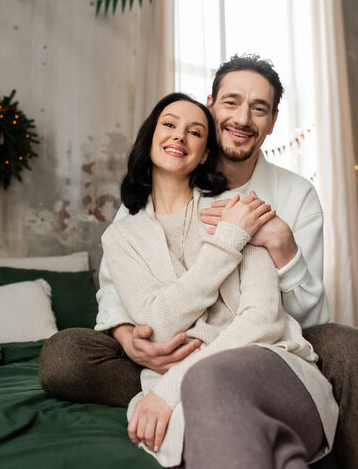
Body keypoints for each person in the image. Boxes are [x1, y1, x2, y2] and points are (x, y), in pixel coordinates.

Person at [39, 55, 357, 467]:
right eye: (231, 102)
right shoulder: (130, 222)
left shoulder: (263, 203)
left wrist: (280, 243)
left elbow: (285, 317)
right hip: (167, 347)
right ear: (211, 105)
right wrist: (126, 335)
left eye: (258, 108)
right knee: (65, 353)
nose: (242, 117)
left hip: (273, 340)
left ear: (273, 121)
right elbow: (119, 290)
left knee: (345, 345)